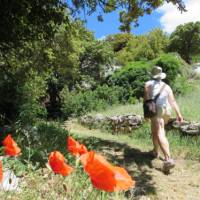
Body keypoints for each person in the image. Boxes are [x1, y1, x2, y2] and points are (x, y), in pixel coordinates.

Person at [144, 66, 183, 170]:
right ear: (161, 75)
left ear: (152, 75)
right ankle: (155, 152)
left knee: (160, 132)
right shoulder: (167, 86)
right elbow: (173, 101)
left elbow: (146, 100)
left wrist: (146, 114)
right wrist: (179, 114)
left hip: (156, 110)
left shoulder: (148, 84)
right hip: (167, 110)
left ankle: (168, 159)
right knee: (155, 131)